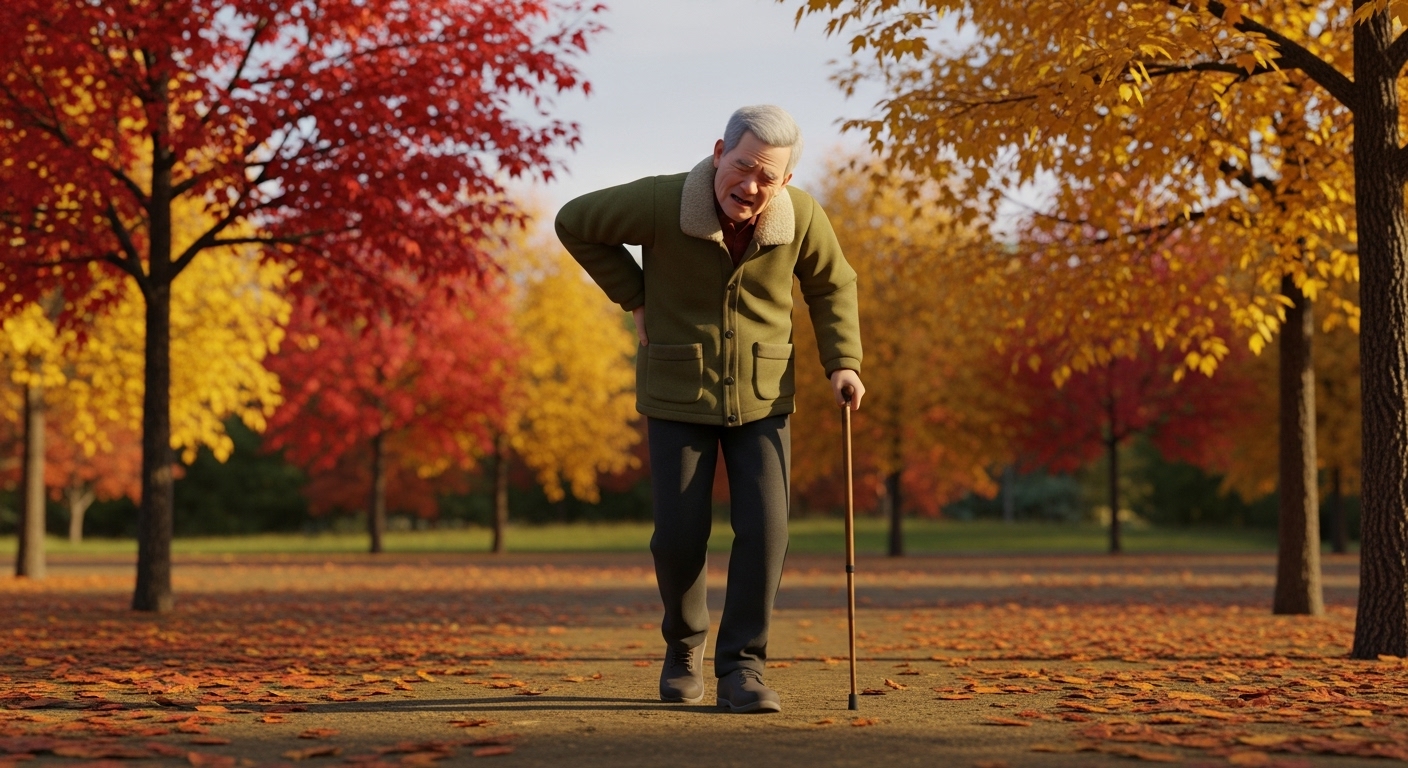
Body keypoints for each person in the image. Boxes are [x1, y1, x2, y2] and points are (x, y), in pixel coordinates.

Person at [555, 105, 864, 714]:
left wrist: (843, 363)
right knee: (677, 537)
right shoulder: (661, 202)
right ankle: (683, 646)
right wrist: (635, 295)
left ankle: (743, 668)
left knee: (767, 532)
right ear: (719, 150)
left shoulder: (800, 217)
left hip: (764, 393)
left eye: (766, 177)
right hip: (678, 389)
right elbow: (573, 222)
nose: (749, 185)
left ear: (786, 183)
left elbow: (833, 284)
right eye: (742, 164)